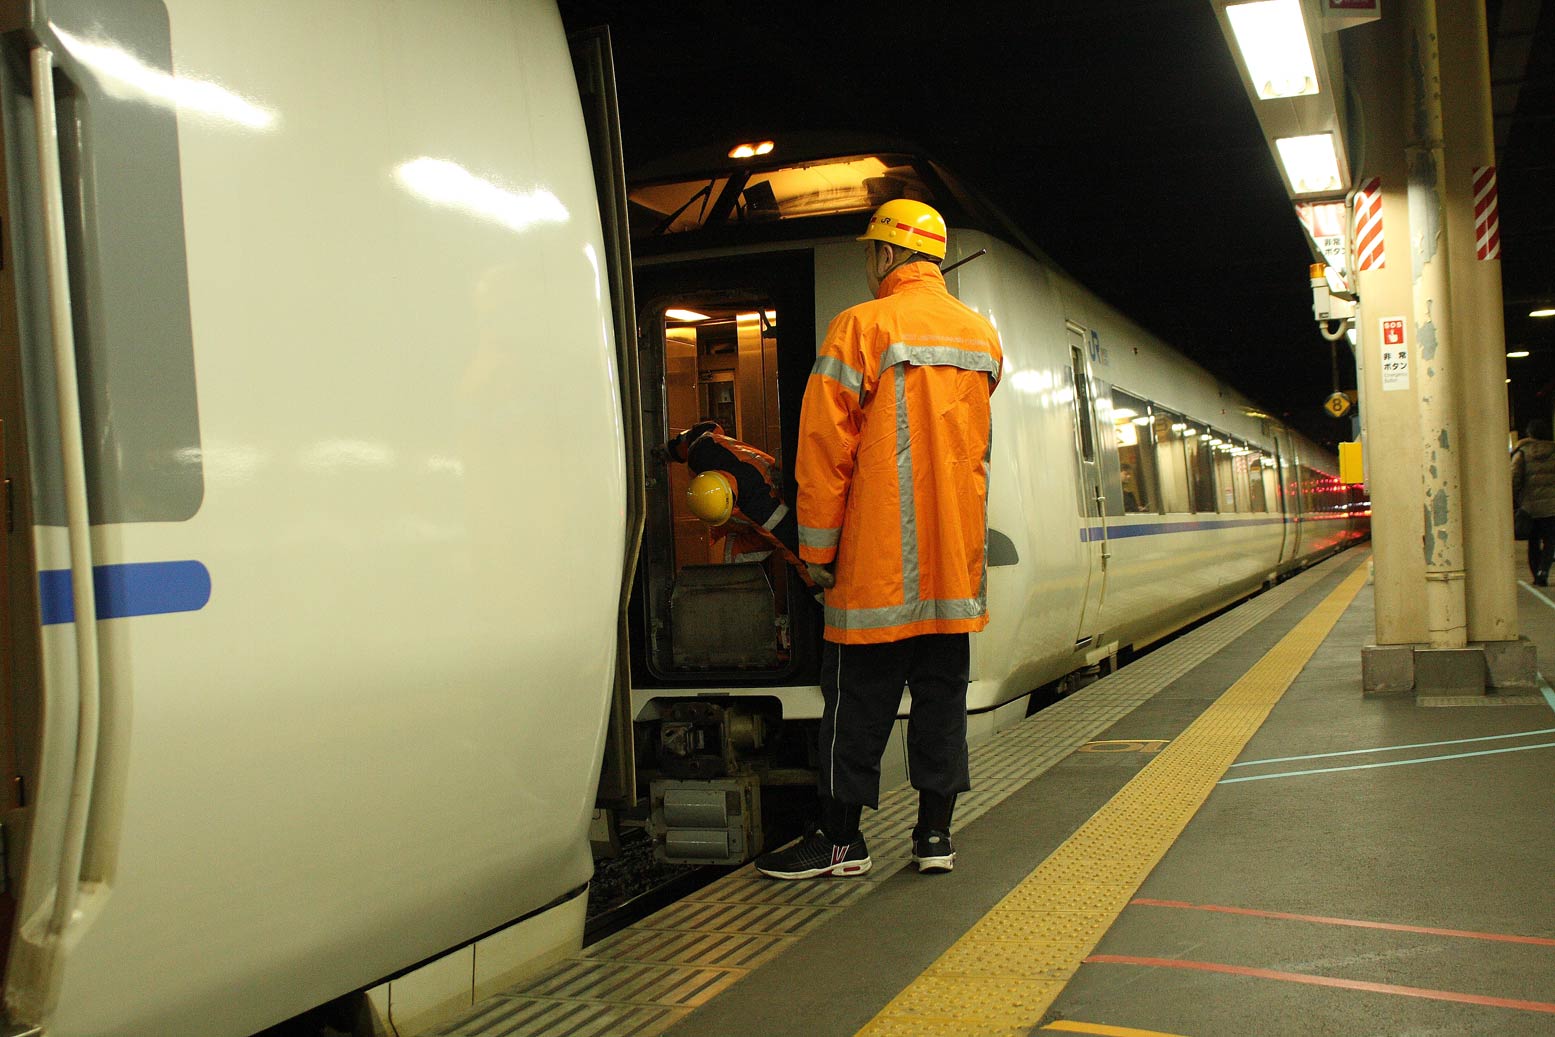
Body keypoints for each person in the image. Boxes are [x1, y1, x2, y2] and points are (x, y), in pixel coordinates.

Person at [754, 198, 1002, 880]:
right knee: (941, 702)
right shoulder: (980, 337)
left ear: (886, 254)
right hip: (953, 569)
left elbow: (824, 454)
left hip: (874, 566)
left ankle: (839, 844)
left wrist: (815, 553)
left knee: (855, 709)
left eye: (869, 252)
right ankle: (933, 837)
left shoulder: (858, 328)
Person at [667, 421, 817, 588]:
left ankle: (735, 593)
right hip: (755, 509)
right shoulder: (704, 446)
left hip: (770, 514)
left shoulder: (763, 507)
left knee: (736, 560)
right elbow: (709, 428)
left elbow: (794, 551)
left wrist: (819, 591)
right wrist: (671, 451)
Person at [1511, 417, 1555, 585]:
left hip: (1529, 506)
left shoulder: (1522, 453)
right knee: (1550, 540)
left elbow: (1514, 478)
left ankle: (1536, 575)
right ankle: (1544, 570)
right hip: (1551, 506)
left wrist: (1516, 499)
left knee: (1533, 540)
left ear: (1529, 433)